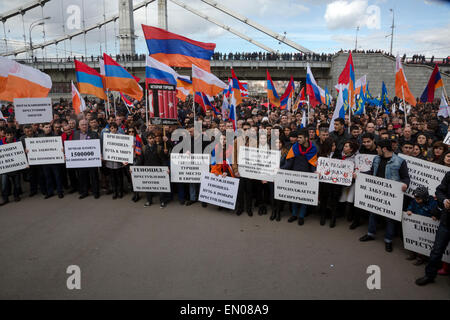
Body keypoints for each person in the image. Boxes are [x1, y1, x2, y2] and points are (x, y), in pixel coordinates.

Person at [359, 139, 410, 252]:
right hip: (377, 192)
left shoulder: (400, 161)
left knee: (390, 218)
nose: (376, 149)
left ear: (384, 149)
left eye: (378, 148)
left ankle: (388, 240)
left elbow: (406, 177)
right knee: (372, 213)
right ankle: (370, 234)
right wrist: (360, 175)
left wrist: (405, 184)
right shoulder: (376, 158)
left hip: (391, 196)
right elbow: (372, 172)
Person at [415, 171, 450, 285]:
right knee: (437, 250)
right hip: (446, 222)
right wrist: (444, 200)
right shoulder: (449, 175)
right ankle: (429, 275)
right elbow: (439, 190)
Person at [281, 129, 318, 226]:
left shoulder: (313, 149)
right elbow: (289, 163)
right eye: (298, 138)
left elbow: (313, 164)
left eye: (300, 138)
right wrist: (281, 169)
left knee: (304, 197)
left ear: (306, 138)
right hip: (295, 175)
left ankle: (301, 216)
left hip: (307, 176)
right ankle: (294, 214)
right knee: (294, 196)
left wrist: (315, 172)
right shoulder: (295, 147)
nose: (298, 140)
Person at [405, 186, 437, 265]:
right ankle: (413, 253)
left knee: (422, 241)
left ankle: (421, 257)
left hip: (425, 227)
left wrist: (434, 215)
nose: (416, 200)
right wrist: (409, 210)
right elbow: (411, 205)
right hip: (415, 224)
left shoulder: (432, 202)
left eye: (418, 199)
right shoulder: (415, 200)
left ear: (425, 198)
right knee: (413, 238)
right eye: (415, 198)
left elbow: (435, 211)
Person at [137, 133, 167, 208]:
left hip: (158, 170)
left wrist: (166, 168)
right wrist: (134, 169)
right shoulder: (144, 148)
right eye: (150, 138)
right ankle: (149, 201)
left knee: (160, 186)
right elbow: (140, 160)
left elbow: (163, 160)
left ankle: (162, 201)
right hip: (147, 170)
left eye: (153, 138)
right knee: (148, 186)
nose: (152, 140)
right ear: (147, 139)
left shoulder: (159, 148)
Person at [73, 119, 100, 199]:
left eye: (86, 124)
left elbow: (98, 145)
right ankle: (85, 192)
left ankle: (96, 192)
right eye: (82, 125)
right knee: (82, 177)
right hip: (81, 161)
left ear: (88, 125)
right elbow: (73, 146)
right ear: (79, 126)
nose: (84, 126)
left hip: (92, 160)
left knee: (94, 177)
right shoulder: (75, 134)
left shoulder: (94, 134)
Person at [0, 128, 22, 205]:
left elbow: (21, 153)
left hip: (16, 167)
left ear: (13, 135)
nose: (9, 136)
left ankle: (16, 196)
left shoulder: (18, 142)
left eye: (11, 135)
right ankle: (5, 198)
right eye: (8, 135)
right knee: (4, 184)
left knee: (16, 183)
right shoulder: (0, 143)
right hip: (5, 169)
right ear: (5, 135)